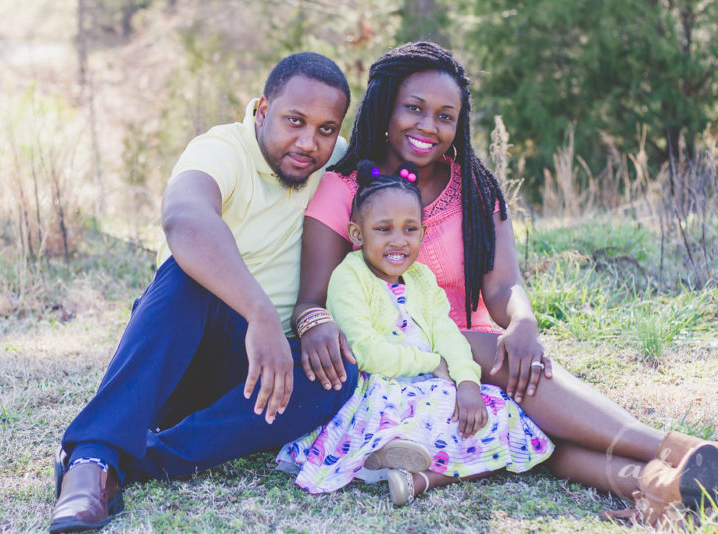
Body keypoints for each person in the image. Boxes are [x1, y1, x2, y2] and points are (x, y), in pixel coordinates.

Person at [291, 41, 718, 525]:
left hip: (480, 365)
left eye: (445, 116)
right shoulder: (344, 188)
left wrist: (523, 321)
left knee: (533, 430)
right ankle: (675, 448)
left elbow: (503, 288)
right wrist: (314, 325)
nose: (429, 126)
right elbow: (313, 300)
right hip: (393, 366)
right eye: (414, 108)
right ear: (386, 107)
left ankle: (665, 484)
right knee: (499, 370)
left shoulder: (473, 186)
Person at [48, 52, 359, 533]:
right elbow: (184, 218)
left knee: (338, 373)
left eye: (325, 129)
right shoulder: (222, 150)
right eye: (294, 121)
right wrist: (259, 314)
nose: (308, 142)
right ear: (261, 110)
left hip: (263, 383)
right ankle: (93, 459)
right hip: (190, 350)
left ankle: (139, 462)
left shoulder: (337, 161)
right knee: (184, 275)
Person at [277, 160, 553, 506]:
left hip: (430, 383)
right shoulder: (349, 277)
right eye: (384, 229)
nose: (398, 241)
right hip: (378, 386)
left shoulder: (421, 279)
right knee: (418, 415)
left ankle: (419, 478)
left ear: (422, 233)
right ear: (357, 234)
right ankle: (388, 452)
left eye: (410, 229)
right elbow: (365, 351)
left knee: (500, 411)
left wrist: (467, 382)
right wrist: (432, 363)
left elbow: (447, 333)